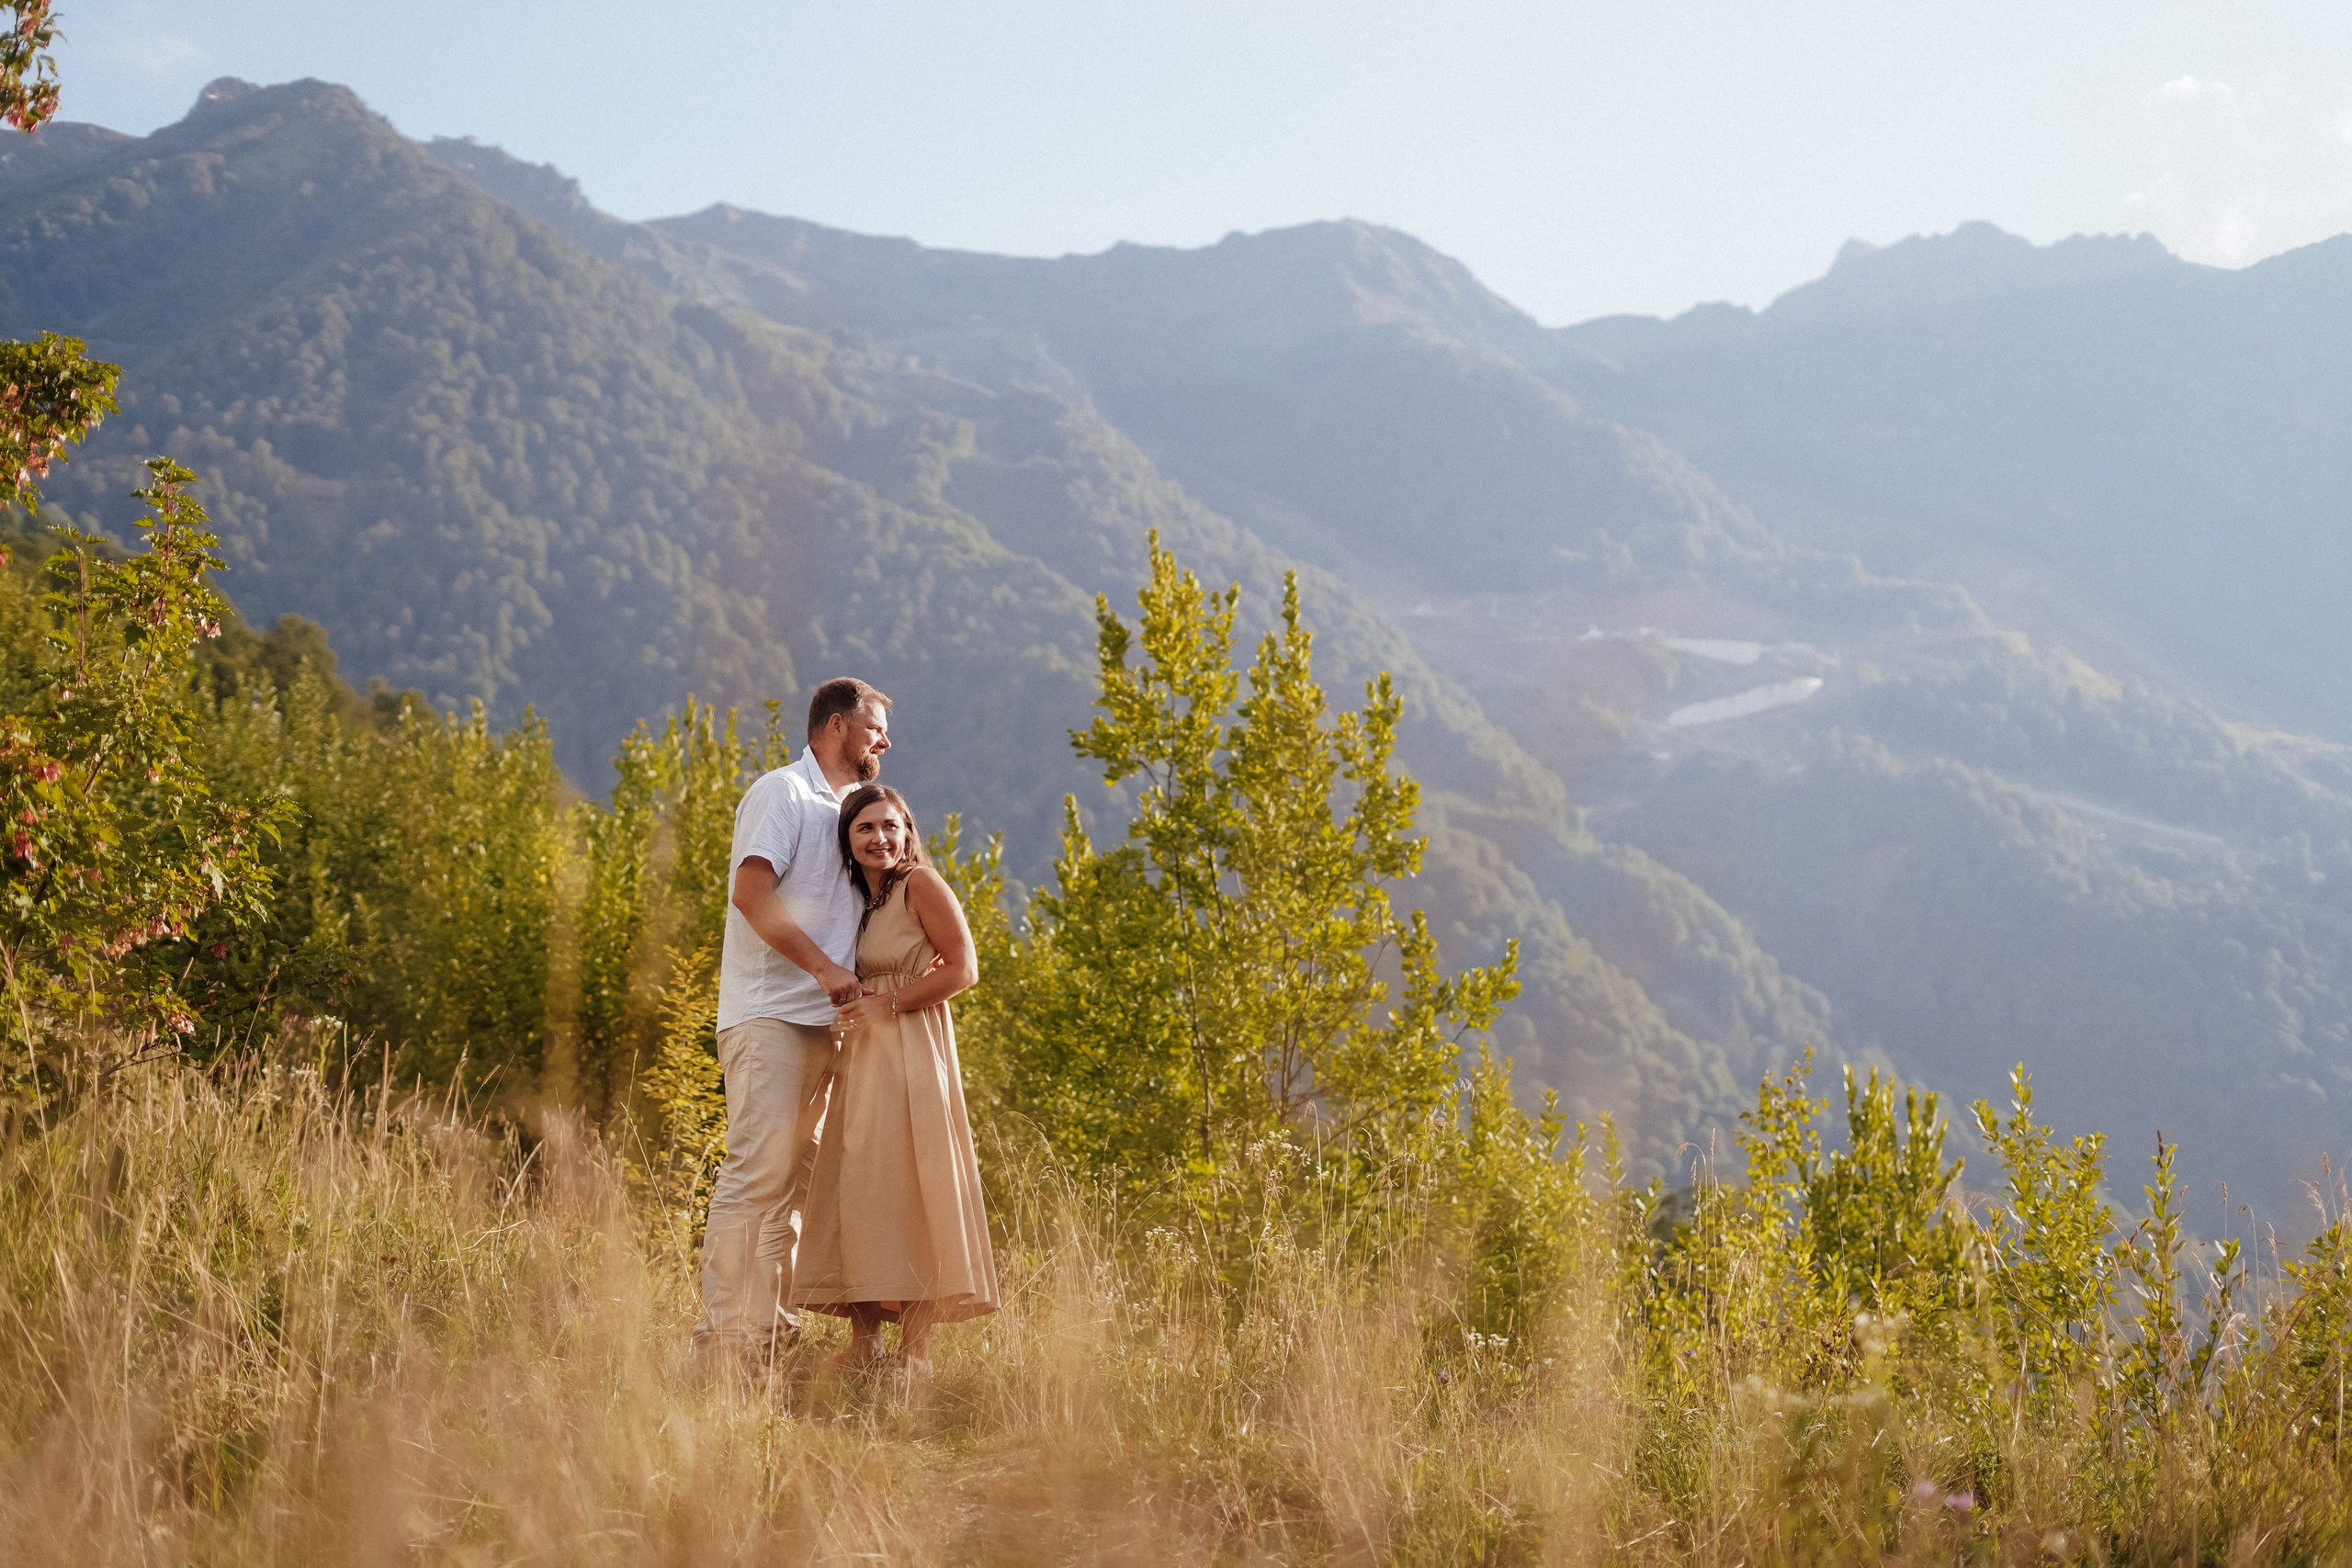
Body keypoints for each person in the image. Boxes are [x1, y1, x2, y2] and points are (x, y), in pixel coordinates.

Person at [693, 676, 894, 1366]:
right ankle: (722, 1339)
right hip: (771, 1014)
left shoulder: (853, 812)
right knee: (757, 1173)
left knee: (801, 1183)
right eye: (874, 727)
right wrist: (823, 969)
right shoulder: (781, 791)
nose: (884, 742)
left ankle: (769, 1331)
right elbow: (750, 892)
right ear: (836, 726)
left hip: (831, 1028)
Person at [792, 784, 1000, 1375]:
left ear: (908, 830)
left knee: (909, 1183)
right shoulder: (862, 900)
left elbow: (964, 967)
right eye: (864, 829)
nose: (878, 838)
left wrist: (891, 1003)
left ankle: (915, 1354)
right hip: (861, 1058)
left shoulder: (920, 886)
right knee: (858, 1181)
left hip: (910, 1046)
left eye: (889, 826)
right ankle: (865, 1345)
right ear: (849, 841)